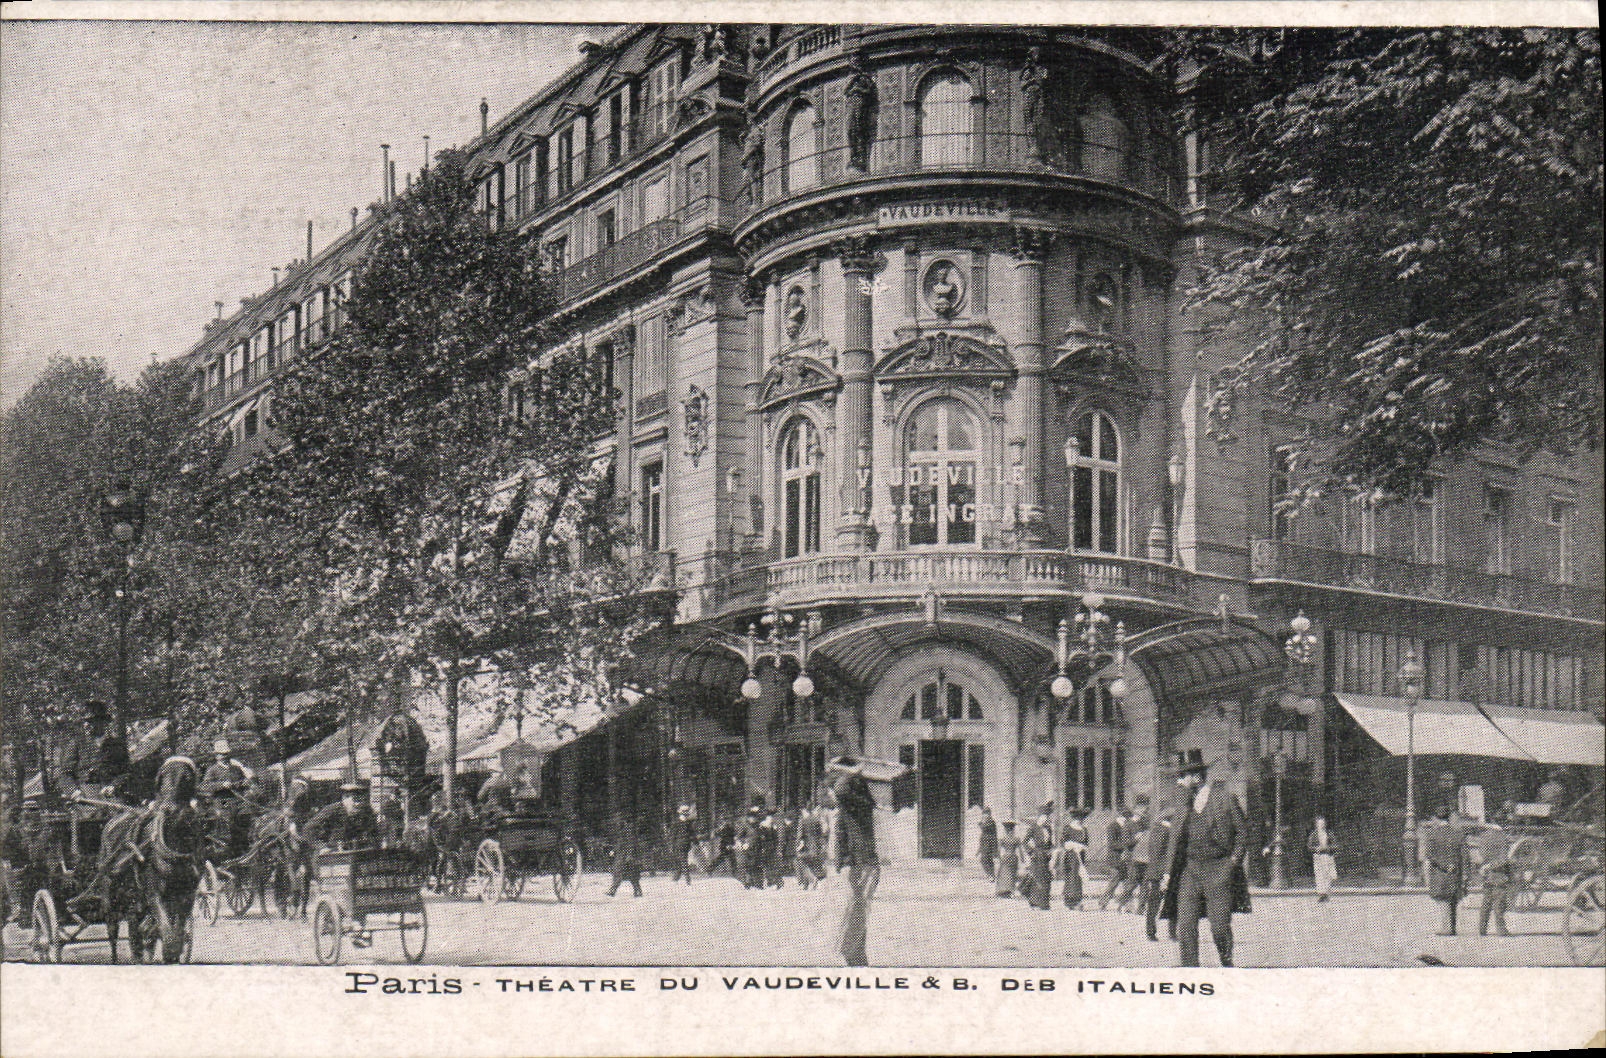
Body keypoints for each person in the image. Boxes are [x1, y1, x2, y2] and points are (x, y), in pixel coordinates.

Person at [1161, 749, 1248, 968]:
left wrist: (1233, 861)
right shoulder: (1183, 804)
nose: (1180, 781)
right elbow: (1175, 840)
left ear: (1197, 776)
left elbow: (1243, 832)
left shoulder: (1225, 798)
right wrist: (1168, 873)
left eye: (1184, 776)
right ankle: (1191, 971)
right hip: (1190, 870)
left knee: (1219, 926)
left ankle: (1227, 963)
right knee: (1186, 925)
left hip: (1218, 868)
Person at [828, 757, 879, 967]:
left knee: (856, 911)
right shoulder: (852, 807)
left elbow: (841, 790)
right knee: (856, 910)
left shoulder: (854, 804)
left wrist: (848, 772)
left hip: (863, 863)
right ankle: (856, 958)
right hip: (859, 863)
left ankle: (854, 958)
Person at [1419, 803, 1468, 936]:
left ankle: (1446, 927)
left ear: (1436, 818)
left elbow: (1430, 855)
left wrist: (1444, 866)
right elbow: (1465, 856)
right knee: (1452, 899)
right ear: (1449, 818)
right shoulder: (1459, 834)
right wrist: (1465, 874)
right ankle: (1451, 927)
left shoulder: (1432, 834)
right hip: (1456, 872)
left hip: (1440, 872)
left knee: (1443, 899)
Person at [304, 781, 379, 851]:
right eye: (355, 800)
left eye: (362, 800)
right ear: (344, 799)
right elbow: (308, 828)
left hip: (355, 854)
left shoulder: (366, 810)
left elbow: (373, 832)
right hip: (331, 855)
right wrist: (321, 847)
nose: (359, 804)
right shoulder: (332, 810)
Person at [1471, 820, 1513, 937]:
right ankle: (1501, 929)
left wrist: (1485, 866)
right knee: (1499, 903)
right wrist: (1492, 865)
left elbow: (1480, 855)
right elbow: (1503, 860)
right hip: (1499, 875)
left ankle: (1482, 929)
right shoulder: (1503, 838)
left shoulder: (1484, 836)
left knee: (1486, 902)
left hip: (1486, 875)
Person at [1143, 810, 1176, 941]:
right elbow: (1160, 854)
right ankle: (1157, 932)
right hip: (1162, 872)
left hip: (1158, 871)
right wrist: (1166, 873)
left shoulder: (1157, 830)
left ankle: (1154, 932)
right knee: (1160, 902)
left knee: (1156, 903)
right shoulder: (1164, 831)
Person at [1022, 804, 1055, 910]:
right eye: (1045, 816)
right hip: (1036, 856)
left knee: (1046, 880)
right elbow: (1024, 842)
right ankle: (1034, 902)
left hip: (1046, 857)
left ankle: (1044, 903)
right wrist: (1031, 852)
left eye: (1048, 816)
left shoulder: (1049, 828)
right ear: (1040, 816)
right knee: (1037, 880)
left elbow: (1050, 843)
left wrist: (1051, 851)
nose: (1047, 818)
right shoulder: (1034, 827)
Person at [1099, 807, 1130, 910]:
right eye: (1124, 818)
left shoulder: (1125, 826)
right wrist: (1125, 845)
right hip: (1115, 858)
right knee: (1114, 881)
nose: (1126, 820)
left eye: (1127, 818)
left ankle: (1125, 904)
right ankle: (1103, 902)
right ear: (1120, 817)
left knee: (1127, 882)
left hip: (1124, 859)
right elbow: (1112, 844)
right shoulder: (1113, 826)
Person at [1058, 808, 1090, 910]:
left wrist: (1082, 847)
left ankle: (1077, 901)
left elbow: (1086, 844)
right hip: (1070, 857)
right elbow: (1063, 842)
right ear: (1073, 818)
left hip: (1080, 857)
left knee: (1078, 878)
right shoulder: (1067, 828)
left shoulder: (1084, 829)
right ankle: (1070, 901)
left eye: (1081, 819)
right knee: (1071, 878)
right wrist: (1071, 845)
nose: (1079, 821)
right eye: (1077, 818)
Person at [607, 810, 643, 898]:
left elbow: (631, 843)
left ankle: (636, 890)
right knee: (622, 872)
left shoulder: (628, 829)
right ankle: (614, 890)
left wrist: (629, 855)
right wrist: (614, 850)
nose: (617, 822)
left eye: (618, 820)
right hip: (621, 853)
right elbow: (619, 843)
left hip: (626, 854)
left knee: (628, 872)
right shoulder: (621, 829)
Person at [1124, 808, 1152, 913]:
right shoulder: (1128, 825)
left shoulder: (1144, 825)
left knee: (1145, 884)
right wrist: (1137, 838)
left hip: (1144, 858)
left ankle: (1141, 907)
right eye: (1141, 813)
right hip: (1132, 858)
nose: (1143, 816)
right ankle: (1125, 903)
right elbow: (1126, 843)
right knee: (1132, 882)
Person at [1307, 815, 1338, 903]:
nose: (1321, 825)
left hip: (1327, 856)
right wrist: (1316, 849)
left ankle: (1326, 893)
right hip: (1318, 856)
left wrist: (1328, 848)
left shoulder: (1329, 834)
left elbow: (1336, 845)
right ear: (1316, 825)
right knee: (1319, 875)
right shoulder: (1313, 835)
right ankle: (1321, 894)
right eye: (1319, 824)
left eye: (1323, 823)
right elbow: (1309, 846)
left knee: (1327, 875)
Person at [797, 804, 828, 890]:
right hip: (816, 846)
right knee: (815, 863)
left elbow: (800, 836)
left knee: (803, 862)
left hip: (807, 846)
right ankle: (811, 882)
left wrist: (798, 845)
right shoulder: (816, 820)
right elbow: (821, 833)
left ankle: (812, 879)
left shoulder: (803, 821)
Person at [670, 804, 699, 885]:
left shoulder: (676, 822)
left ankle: (687, 879)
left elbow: (673, 835)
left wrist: (671, 846)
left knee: (682, 861)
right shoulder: (688, 823)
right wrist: (696, 843)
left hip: (678, 844)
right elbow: (692, 834)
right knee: (682, 861)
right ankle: (676, 878)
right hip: (686, 844)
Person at [994, 820, 1020, 898]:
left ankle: (1003, 891)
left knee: (1004, 874)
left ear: (1005, 830)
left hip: (1005, 857)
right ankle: (1010, 891)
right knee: (1012, 874)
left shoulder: (1003, 839)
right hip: (1014, 857)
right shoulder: (1016, 839)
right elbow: (1021, 851)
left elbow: (998, 851)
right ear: (1013, 830)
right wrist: (1023, 861)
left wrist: (999, 858)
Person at [977, 807, 999, 880]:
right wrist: (979, 848)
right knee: (985, 859)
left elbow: (984, 827)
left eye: (986, 814)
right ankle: (990, 874)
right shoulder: (986, 822)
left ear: (989, 814)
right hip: (984, 843)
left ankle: (990, 875)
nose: (985, 815)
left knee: (986, 859)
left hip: (990, 844)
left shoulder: (991, 822)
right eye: (984, 814)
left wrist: (981, 822)